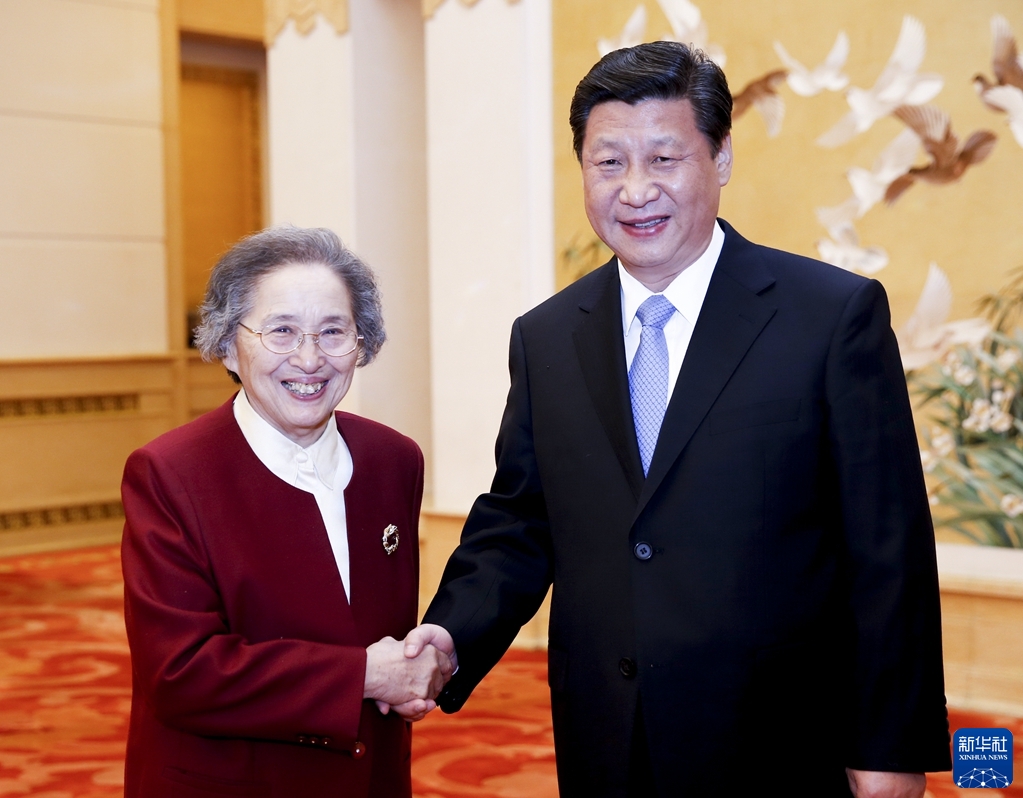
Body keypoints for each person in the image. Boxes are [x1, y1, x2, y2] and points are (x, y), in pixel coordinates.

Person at [406, 42, 951, 797]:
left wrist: (888, 746)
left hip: (779, 740)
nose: (635, 190)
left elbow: (886, 548)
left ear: (720, 157)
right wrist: (448, 636)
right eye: (608, 163)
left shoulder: (830, 317)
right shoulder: (548, 337)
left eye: (664, 159)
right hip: (607, 736)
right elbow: (521, 521)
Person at [120, 227, 452, 798]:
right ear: (229, 345)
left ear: (362, 343)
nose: (309, 358)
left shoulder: (393, 460)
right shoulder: (171, 474)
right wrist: (365, 676)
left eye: (333, 332)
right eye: (282, 331)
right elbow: (180, 672)